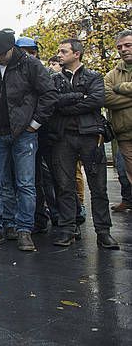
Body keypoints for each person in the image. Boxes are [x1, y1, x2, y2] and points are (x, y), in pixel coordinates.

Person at [0, 30, 57, 251]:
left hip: (24, 133)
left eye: (0, 54)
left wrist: (35, 124)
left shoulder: (30, 64)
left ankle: (24, 231)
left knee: (26, 184)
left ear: (12, 48)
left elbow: (49, 94)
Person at [48, 39, 118, 249]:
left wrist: (67, 103)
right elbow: (53, 103)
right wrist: (79, 97)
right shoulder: (55, 79)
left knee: (98, 187)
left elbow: (96, 101)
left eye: (63, 51)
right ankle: (68, 228)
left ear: (76, 54)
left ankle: (103, 231)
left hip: (90, 136)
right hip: (63, 138)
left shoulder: (94, 76)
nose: (59, 54)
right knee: (64, 185)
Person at [104, 29, 132, 191]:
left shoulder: (115, 81)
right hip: (125, 135)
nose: (123, 49)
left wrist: (121, 87)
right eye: (120, 47)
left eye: (128, 45)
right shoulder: (111, 75)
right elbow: (106, 99)